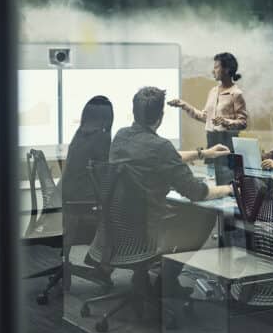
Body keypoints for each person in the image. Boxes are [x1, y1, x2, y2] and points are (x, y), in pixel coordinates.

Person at [89, 86, 232, 298]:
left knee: (179, 210)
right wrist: (229, 188)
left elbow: (160, 155)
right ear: (161, 117)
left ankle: (145, 276)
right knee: (205, 214)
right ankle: (167, 281)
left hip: (118, 228)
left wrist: (203, 153)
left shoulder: (121, 137)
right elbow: (197, 192)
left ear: (134, 111)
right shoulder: (160, 147)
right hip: (145, 232)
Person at [168, 52, 248, 176]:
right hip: (211, 143)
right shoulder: (213, 91)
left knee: (228, 182)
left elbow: (243, 123)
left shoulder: (236, 94)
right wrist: (184, 105)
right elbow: (205, 117)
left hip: (228, 146)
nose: (213, 71)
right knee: (211, 178)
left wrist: (226, 122)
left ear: (227, 69)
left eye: (216, 67)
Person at [61, 96, 114, 245]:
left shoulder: (80, 134)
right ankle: (108, 256)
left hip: (69, 193)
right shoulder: (101, 137)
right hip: (83, 196)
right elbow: (105, 171)